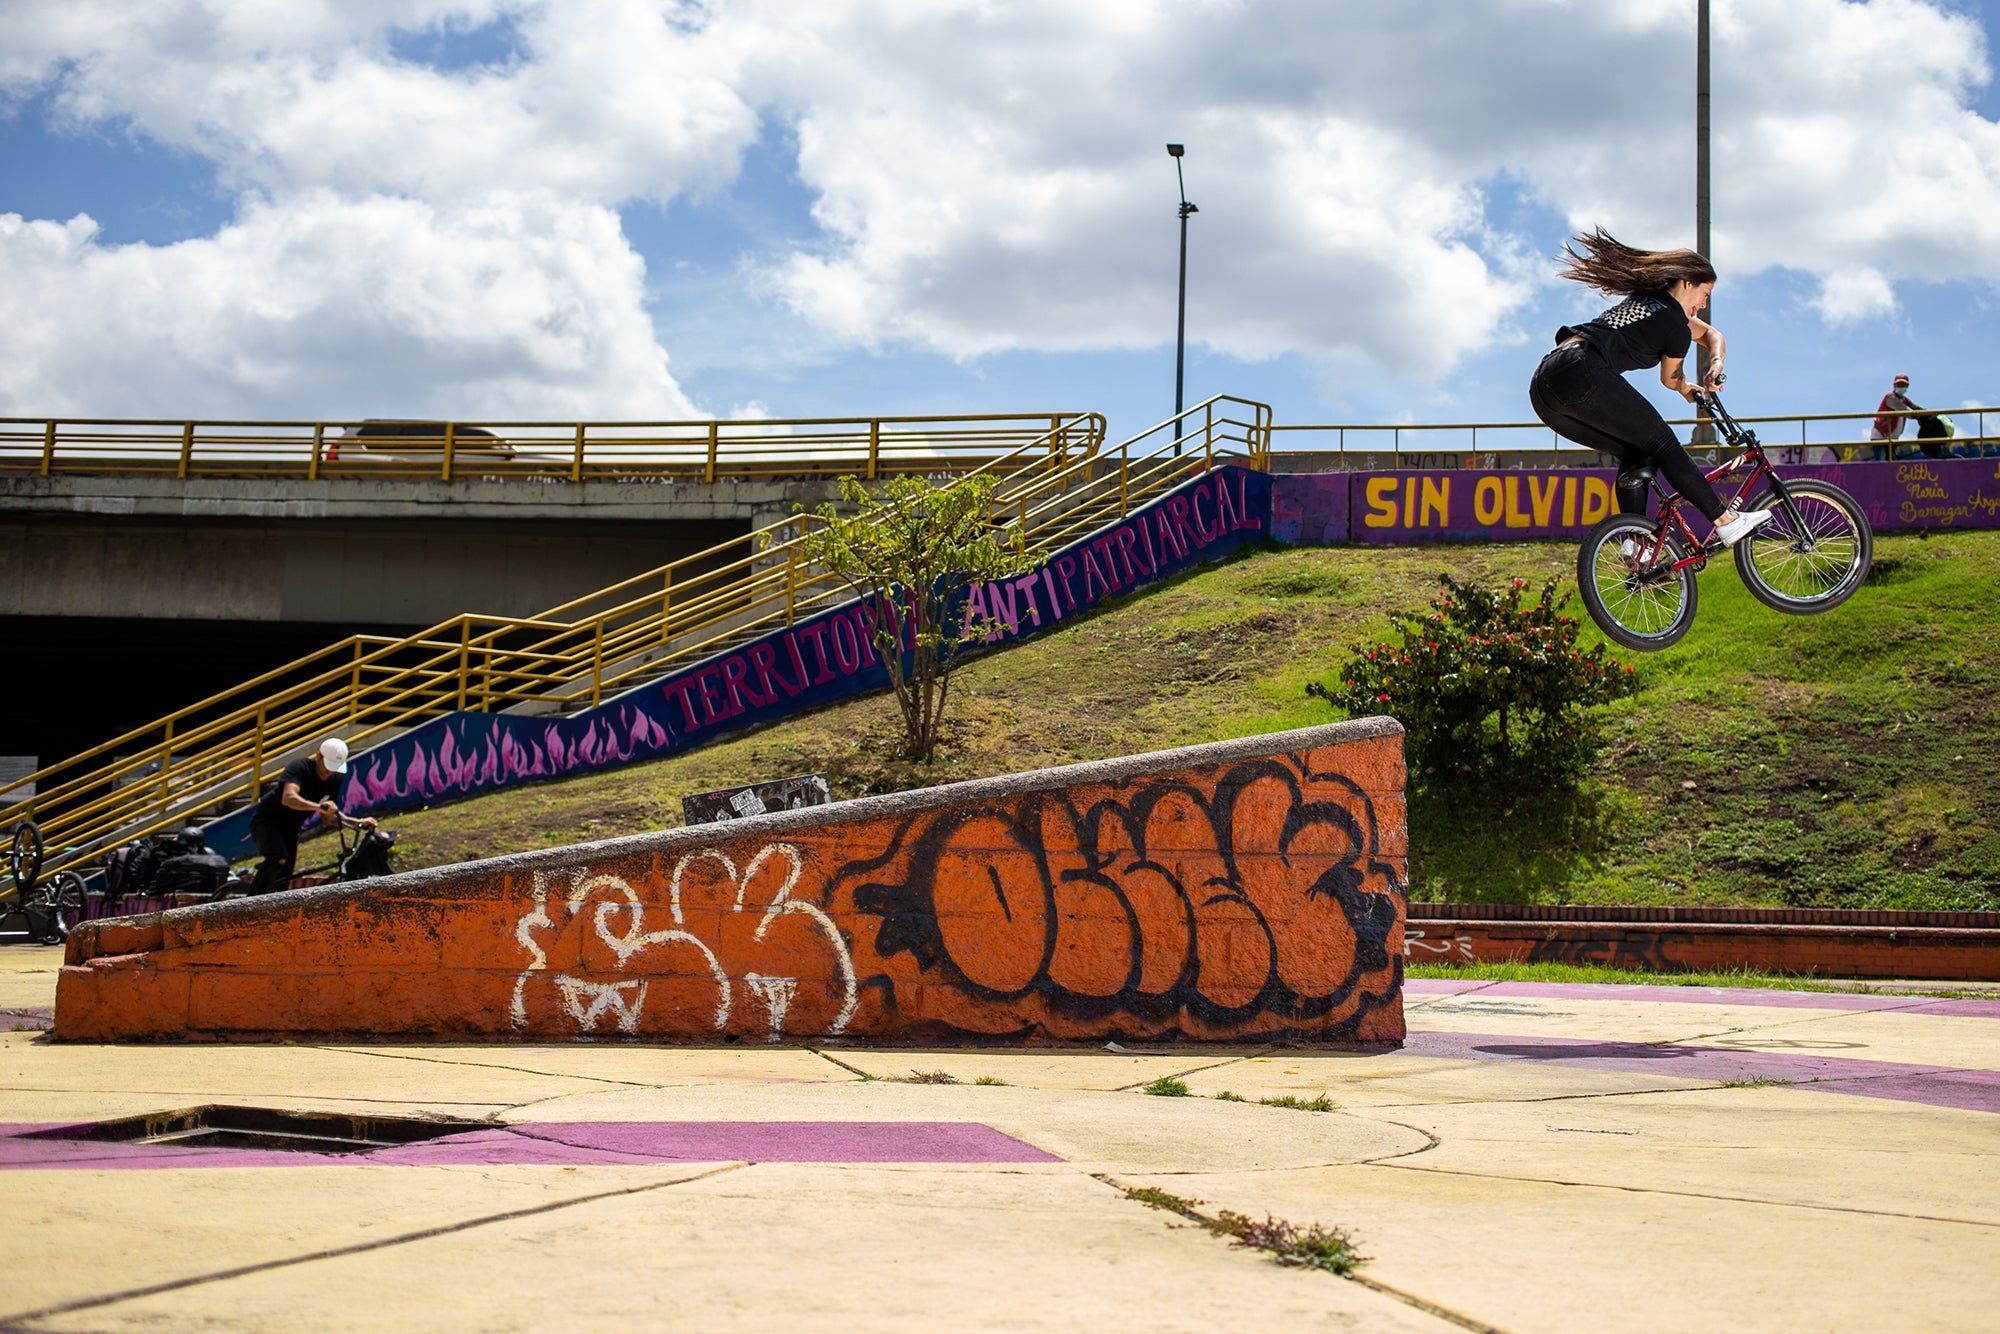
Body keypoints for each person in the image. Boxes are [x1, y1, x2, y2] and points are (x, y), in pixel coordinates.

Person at [1529, 228, 1771, 548]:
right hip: (1581, 370)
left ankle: (1636, 543)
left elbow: (1713, 336)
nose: (1702, 304)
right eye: (1705, 295)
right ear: (1687, 283)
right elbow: (1670, 379)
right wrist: (1686, 387)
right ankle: (1724, 521)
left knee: (1637, 452)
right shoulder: (1674, 324)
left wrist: (1716, 363)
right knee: (1662, 443)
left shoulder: (1652, 302)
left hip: (1546, 387)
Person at [247, 737, 374, 896]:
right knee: (278, 857)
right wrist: (319, 807)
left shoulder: (335, 779)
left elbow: (328, 817)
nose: (329, 772)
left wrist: (356, 823)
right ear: (318, 756)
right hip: (267, 823)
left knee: (284, 876)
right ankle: (243, 907)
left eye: (334, 768)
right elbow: (289, 798)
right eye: (327, 766)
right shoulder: (299, 768)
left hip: (291, 830)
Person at [1866, 373, 1919, 460]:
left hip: (1892, 438)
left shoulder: (1905, 400)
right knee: (1881, 461)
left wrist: (1929, 413)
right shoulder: (1891, 398)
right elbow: (1907, 412)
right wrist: (1920, 416)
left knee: (1891, 462)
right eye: (1899, 384)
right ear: (1894, 385)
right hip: (1881, 436)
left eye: (1903, 384)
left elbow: (1916, 407)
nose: (1901, 386)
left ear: (1907, 386)